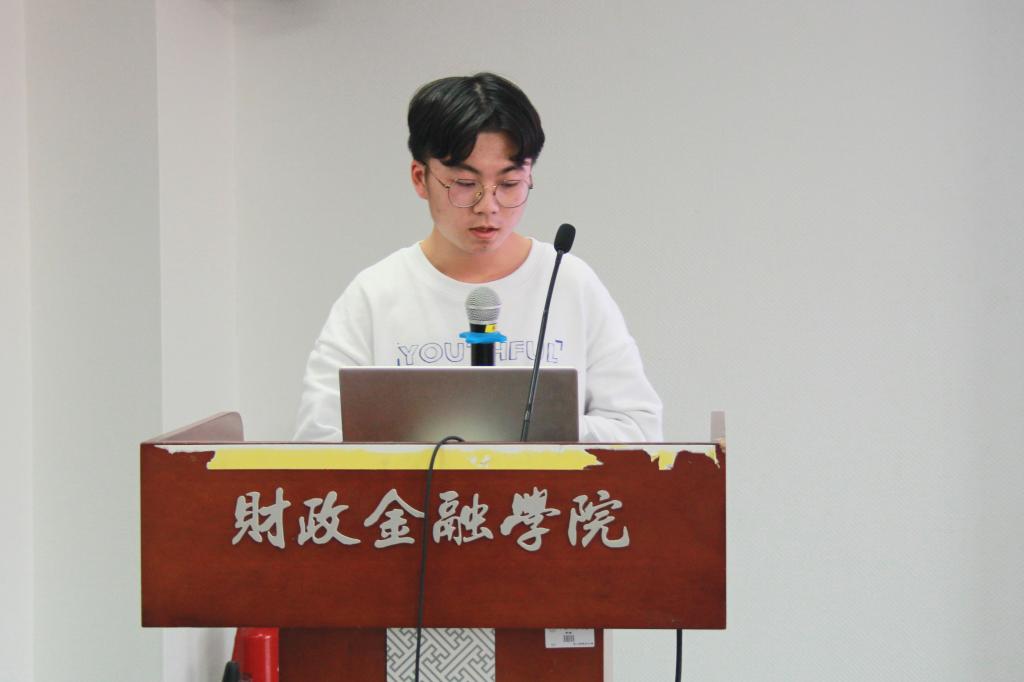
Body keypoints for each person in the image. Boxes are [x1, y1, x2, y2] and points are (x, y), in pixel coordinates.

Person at [294, 73, 662, 442]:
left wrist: (528, 427)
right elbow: (317, 439)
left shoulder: (569, 283)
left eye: (509, 184)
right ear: (420, 178)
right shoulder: (375, 295)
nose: (488, 206)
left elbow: (638, 429)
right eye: (465, 184)